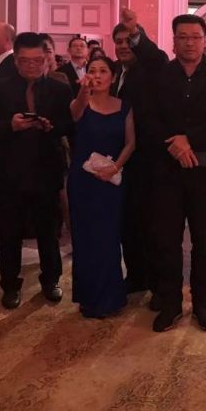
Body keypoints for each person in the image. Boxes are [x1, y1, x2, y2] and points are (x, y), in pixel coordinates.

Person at [146, 14, 206, 333]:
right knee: (167, 240)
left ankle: (202, 303)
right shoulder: (161, 75)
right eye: (183, 37)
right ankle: (170, 303)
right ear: (174, 40)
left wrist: (188, 139)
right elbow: (149, 117)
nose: (189, 43)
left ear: (204, 39)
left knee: (204, 240)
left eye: (195, 37)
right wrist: (175, 143)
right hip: (167, 169)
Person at [0, 32, 72, 309]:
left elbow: (70, 125)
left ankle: (51, 280)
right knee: (9, 233)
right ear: (15, 60)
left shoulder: (59, 89)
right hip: (9, 172)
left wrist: (52, 126)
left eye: (37, 60)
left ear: (46, 59)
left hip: (46, 170)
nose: (31, 66)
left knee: (48, 231)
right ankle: (10, 285)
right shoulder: (1, 87)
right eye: (25, 61)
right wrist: (10, 125)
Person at [68, 56, 135, 318]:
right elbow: (75, 113)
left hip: (111, 181)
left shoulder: (124, 106)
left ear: (113, 76)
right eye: (92, 70)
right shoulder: (81, 103)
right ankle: (89, 297)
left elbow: (131, 143)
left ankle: (111, 298)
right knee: (85, 239)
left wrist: (115, 167)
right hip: (83, 182)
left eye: (103, 71)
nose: (97, 75)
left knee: (108, 239)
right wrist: (83, 91)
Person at [111, 7, 168, 294]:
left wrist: (135, 32)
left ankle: (157, 283)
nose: (123, 46)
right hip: (119, 159)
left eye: (128, 41)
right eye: (118, 42)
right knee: (127, 222)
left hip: (147, 159)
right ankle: (135, 275)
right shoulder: (112, 72)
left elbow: (155, 57)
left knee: (151, 224)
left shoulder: (152, 68)